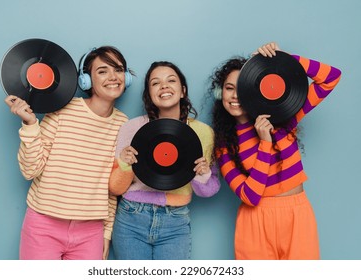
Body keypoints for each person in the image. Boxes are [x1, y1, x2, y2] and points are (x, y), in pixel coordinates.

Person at [209, 42, 341, 260]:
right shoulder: (224, 147)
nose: (234, 95)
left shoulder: (285, 118)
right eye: (229, 88)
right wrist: (265, 143)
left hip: (296, 214)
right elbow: (250, 196)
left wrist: (286, 60)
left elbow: (330, 78)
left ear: (252, 88)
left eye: (241, 88)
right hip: (255, 222)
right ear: (219, 93)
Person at [4, 46, 133, 260]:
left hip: (91, 231)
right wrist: (30, 125)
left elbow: (110, 186)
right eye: (102, 71)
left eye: (118, 70)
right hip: (43, 225)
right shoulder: (62, 109)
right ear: (86, 80)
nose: (113, 77)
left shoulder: (124, 124)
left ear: (126, 77)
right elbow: (30, 170)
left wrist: (107, 233)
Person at [109, 61, 220, 260]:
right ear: (149, 95)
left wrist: (203, 175)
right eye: (155, 83)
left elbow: (210, 190)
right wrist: (125, 164)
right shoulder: (132, 128)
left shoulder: (204, 133)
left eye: (171, 80)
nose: (164, 86)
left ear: (183, 90)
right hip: (131, 218)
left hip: (175, 223)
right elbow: (116, 188)